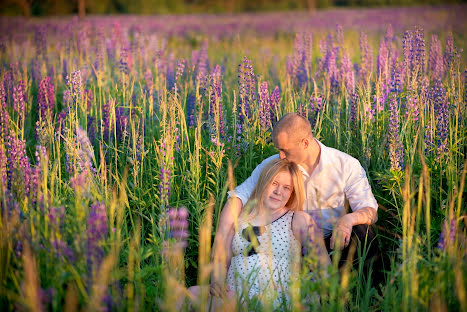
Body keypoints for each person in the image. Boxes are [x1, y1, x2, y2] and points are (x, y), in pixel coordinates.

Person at [211, 113, 380, 296]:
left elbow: (370, 210)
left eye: (285, 150)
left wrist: (347, 220)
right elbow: (238, 197)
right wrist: (223, 234)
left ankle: (371, 297)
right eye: (278, 149)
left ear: (305, 143)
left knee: (364, 232)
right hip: (294, 244)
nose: (280, 155)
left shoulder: (345, 165)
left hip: (334, 242)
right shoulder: (277, 165)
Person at [190, 158, 330, 310]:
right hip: (234, 294)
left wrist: (314, 296)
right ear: (263, 182)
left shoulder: (298, 219)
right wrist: (217, 282)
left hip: (275, 296)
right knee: (191, 295)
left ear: (292, 193)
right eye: (274, 183)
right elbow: (221, 258)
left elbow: (323, 265)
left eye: (286, 188)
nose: (278, 192)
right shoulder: (240, 217)